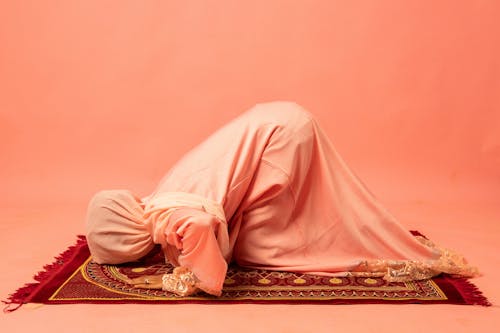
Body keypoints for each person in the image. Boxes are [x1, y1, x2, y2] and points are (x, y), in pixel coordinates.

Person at [85, 101, 478, 297]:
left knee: (260, 250)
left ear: (128, 244)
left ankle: (336, 242)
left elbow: (201, 226)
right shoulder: (160, 196)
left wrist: (196, 277)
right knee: (257, 231)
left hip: (280, 139)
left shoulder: (169, 216)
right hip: (280, 118)